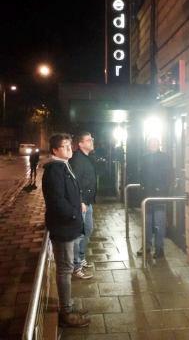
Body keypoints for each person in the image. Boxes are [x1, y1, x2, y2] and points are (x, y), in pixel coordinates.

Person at [42, 133, 90, 328]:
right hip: (63, 227)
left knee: (67, 268)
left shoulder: (63, 165)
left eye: (70, 145)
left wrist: (77, 205)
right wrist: (73, 214)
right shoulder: (55, 170)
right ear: (55, 150)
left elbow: (69, 194)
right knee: (65, 269)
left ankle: (68, 305)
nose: (70, 149)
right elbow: (56, 201)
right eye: (65, 146)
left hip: (68, 225)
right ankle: (66, 313)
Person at [137, 137, 171, 259]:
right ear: (148, 145)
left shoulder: (165, 157)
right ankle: (146, 246)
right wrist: (142, 188)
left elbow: (167, 176)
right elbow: (141, 174)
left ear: (159, 144)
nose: (153, 144)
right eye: (151, 142)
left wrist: (161, 189)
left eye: (155, 142)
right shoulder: (144, 157)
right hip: (146, 195)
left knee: (159, 223)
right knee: (147, 222)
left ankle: (159, 248)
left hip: (159, 196)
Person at [70, 132, 96, 279]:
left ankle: (81, 257)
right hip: (82, 204)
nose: (91, 141)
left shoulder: (87, 157)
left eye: (91, 139)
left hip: (88, 202)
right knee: (79, 234)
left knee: (88, 229)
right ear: (80, 144)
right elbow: (75, 182)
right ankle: (76, 266)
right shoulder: (78, 160)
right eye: (88, 140)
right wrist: (80, 201)